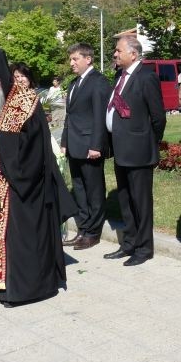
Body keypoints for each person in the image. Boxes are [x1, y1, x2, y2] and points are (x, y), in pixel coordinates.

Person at [0, 49, 77, 306]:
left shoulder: (26, 102)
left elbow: (33, 145)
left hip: (23, 184)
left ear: (0, 80)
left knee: (18, 238)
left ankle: (22, 289)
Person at [103, 35, 166, 266]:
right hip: (120, 149)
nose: (115, 54)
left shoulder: (146, 77)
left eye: (118, 50)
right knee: (125, 199)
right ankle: (129, 243)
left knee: (141, 203)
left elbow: (158, 117)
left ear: (133, 53)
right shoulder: (119, 76)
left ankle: (144, 248)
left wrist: (148, 142)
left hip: (139, 151)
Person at [60, 43, 112, 250]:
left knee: (94, 191)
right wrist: (64, 141)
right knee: (79, 189)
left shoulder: (98, 82)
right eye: (70, 59)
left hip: (90, 146)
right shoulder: (74, 83)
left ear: (88, 59)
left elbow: (100, 116)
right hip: (74, 145)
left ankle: (93, 232)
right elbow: (70, 115)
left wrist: (96, 145)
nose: (71, 63)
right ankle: (82, 229)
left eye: (75, 59)